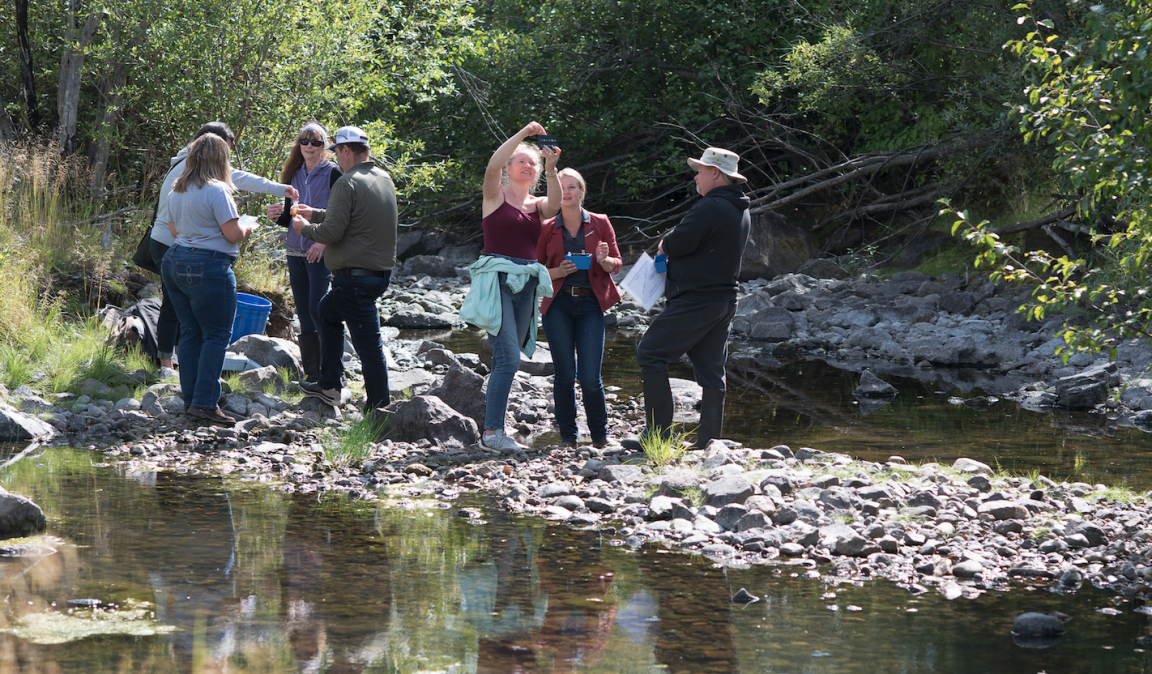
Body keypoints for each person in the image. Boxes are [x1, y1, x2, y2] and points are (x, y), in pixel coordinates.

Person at [149, 121, 297, 374]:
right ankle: (167, 364)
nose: (227, 160)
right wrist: (280, 190)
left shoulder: (187, 168)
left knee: (182, 309)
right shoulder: (197, 174)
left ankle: (177, 362)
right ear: (211, 150)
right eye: (224, 152)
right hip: (173, 245)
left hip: (172, 243)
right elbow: (238, 193)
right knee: (176, 308)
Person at [629, 147, 751, 450]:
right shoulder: (739, 208)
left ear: (715, 173)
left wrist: (663, 242)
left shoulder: (710, 206)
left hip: (697, 300)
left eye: (700, 170)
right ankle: (709, 442)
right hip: (723, 301)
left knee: (650, 353)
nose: (695, 176)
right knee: (711, 371)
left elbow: (678, 242)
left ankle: (657, 436)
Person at [458, 122, 560, 452]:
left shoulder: (536, 205)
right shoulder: (494, 195)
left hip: (527, 285)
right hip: (497, 282)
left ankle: (494, 431)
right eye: (521, 162)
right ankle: (492, 434)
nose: (528, 166)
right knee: (507, 358)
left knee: (509, 356)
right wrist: (522, 136)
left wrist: (552, 167)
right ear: (509, 170)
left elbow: (556, 206)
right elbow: (492, 164)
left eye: (532, 164)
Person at [291, 126, 397, 412]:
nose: (335, 156)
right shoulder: (383, 178)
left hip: (354, 280)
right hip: (376, 276)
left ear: (346, 150)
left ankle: (379, 411)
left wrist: (305, 227)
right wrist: (316, 213)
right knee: (326, 312)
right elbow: (353, 216)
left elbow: (333, 232)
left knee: (370, 349)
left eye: (336, 150)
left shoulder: (346, 183)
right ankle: (330, 385)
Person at [161, 134, 257, 426]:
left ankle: (191, 399)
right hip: (209, 266)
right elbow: (232, 234)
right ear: (221, 159)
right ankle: (205, 403)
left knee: (190, 332)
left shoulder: (176, 190)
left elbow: (175, 232)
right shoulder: (218, 191)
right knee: (216, 335)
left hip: (175, 262)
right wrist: (248, 226)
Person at [537, 168, 622, 449]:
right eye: (561, 188)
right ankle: (568, 438)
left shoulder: (600, 223)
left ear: (582, 192)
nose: (567, 192)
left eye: (572, 187)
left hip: (590, 305)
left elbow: (616, 264)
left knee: (589, 376)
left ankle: (600, 436)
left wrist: (604, 260)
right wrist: (558, 272)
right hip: (558, 305)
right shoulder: (547, 226)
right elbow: (535, 271)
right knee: (564, 374)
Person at [267, 121, 342, 383]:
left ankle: (332, 375)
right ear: (299, 145)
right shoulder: (293, 172)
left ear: (325, 147)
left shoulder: (334, 173)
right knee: (303, 311)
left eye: (316, 142)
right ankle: (313, 375)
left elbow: (340, 217)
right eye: (305, 141)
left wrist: (324, 242)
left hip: (320, 250)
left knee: (317, 309)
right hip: (294, 251)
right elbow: (292, 218)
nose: (309, 146)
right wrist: (277, 216)